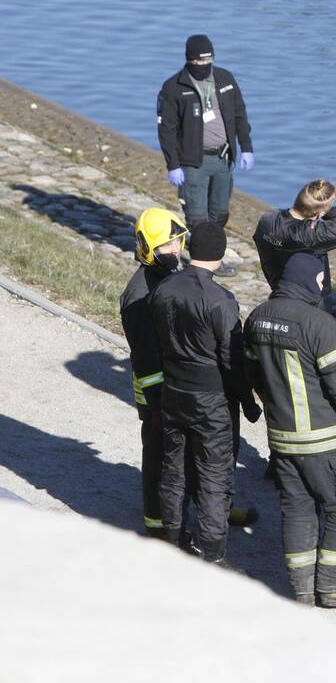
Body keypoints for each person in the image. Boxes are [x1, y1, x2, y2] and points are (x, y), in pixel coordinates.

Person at [244, 253, 336, 607]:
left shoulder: (257, 318)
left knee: (297, 508)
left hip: (283, 440)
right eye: (321, 281)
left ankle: (302, 589)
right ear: (309, 281)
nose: (323, 287)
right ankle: (335, 584)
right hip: (325, 441)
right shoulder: (319, 324)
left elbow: (252, 374)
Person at [151, 223, 260, 563]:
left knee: (174, 468)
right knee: (214, 475)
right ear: (221, 254)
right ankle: (211, 555)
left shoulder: (165, 287)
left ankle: (171, 539)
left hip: (173, 390)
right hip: (210, 397)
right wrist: (247, 401)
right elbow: (232, 360)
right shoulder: (221, 300)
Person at [156, 34, 254, 277]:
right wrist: (173, 164)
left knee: (219, 215)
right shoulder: (173, 88)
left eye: (207, 61)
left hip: (223, 159)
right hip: (192, 163)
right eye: (198, 63)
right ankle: (202, 265)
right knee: (197, 218)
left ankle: (207, 254)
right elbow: (166, 130)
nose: (203, 67)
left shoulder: (225, 79)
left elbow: (240, 114)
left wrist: (247, 147)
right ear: (189, 61)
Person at [121, 208, 188, 536]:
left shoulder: (168, 274)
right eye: (166, 246)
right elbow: (145, 359)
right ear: (148, 248)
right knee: (160, 458)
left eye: (177, 242)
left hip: (176, 386)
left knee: (182, 456)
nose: (174, 250)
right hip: (158, 393)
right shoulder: (139, 296)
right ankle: (157, 524)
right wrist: (159, 402)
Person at [253, 179, 336, 312]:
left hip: (278, 288)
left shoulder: (268, 219)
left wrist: (316, 207)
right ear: (320, 214)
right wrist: (326, 209)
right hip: (310, 300)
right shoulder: (308, 236)